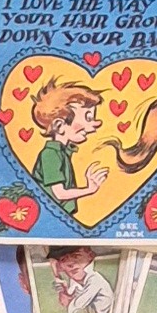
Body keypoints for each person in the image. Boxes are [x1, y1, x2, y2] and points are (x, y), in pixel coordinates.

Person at [30, 79, 109, 218]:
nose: (95, 124)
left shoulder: (62, 152)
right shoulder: (50, 155)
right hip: (49, 216)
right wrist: (89, 189)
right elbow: (59, 193)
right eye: (88, 118)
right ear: (60, 126)